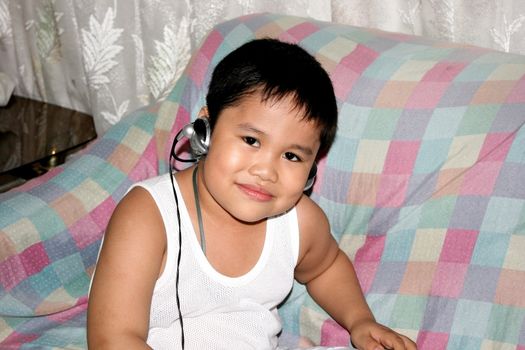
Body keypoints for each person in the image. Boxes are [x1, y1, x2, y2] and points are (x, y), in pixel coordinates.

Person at [87, 38, 417, 350]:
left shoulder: (300, 223)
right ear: (207, 128)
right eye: (251, 141)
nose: (266, 171)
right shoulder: (147, 216)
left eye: (292, 156)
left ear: (311, 169)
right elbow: (113, 339)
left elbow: (325, 267)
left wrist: (359, 320)